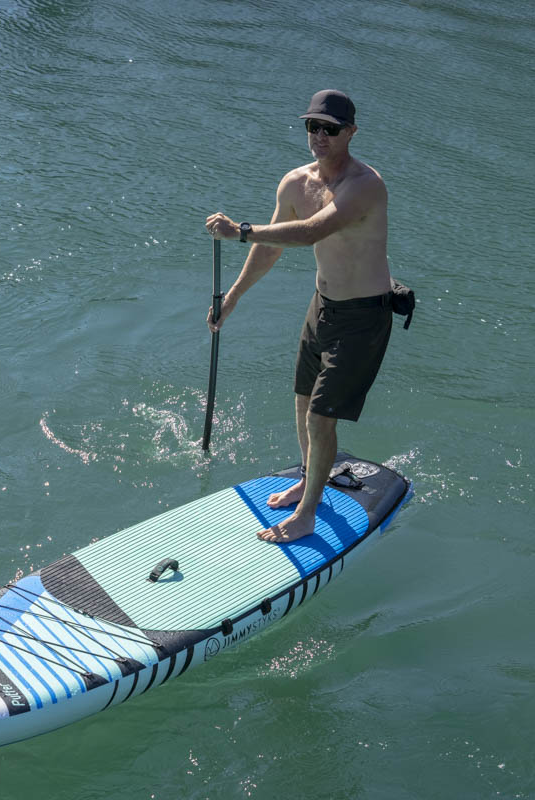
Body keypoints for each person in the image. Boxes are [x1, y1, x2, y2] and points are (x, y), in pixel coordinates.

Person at [204, 89, 392, 544]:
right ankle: (309, 481)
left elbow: (310, 233)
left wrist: (241, 231)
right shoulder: (295, 183)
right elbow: (273, 247)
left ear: (351, 132)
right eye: (313, 126)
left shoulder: (365, 185)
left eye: (330, 129)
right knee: (303, 401)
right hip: (322, 305)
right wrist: (232, 298)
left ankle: (308, 513)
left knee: (321, 417)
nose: (320, 135)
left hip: (363, 315)